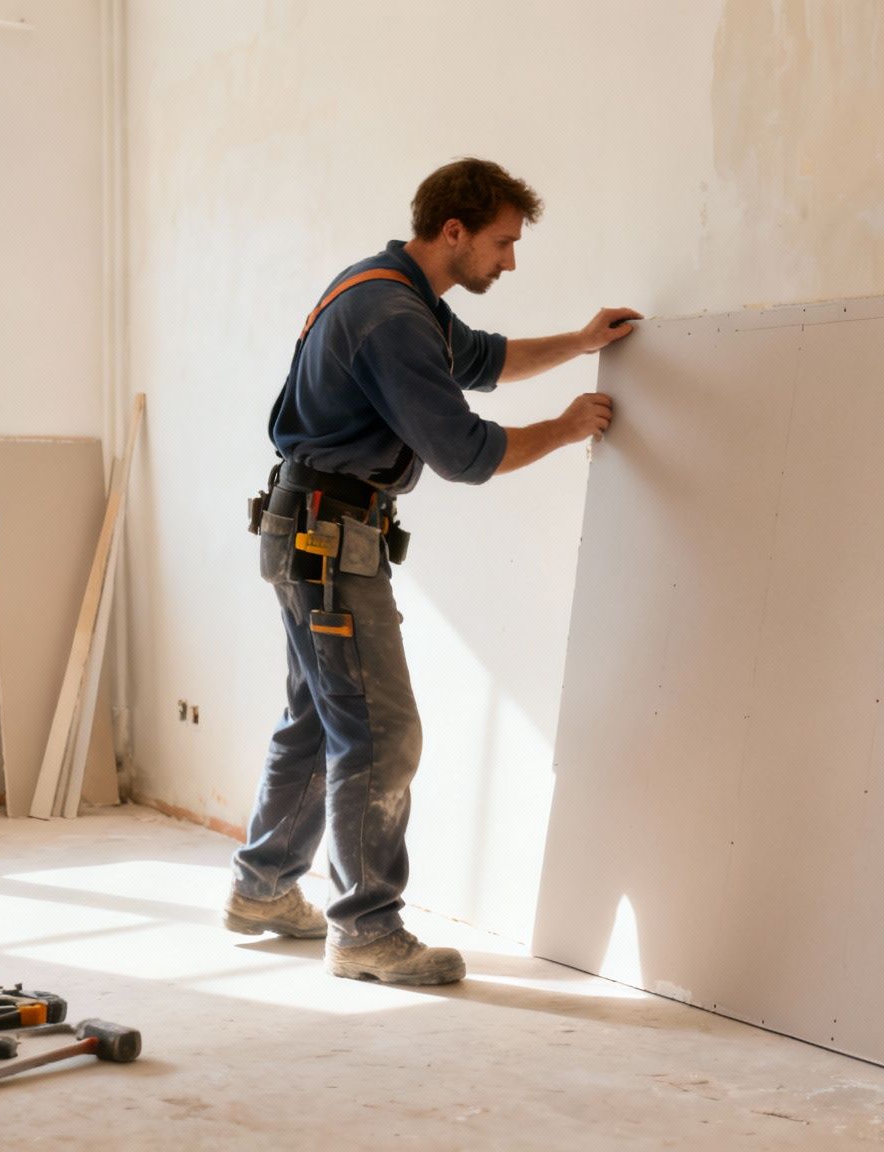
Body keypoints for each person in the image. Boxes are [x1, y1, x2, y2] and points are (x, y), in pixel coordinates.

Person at [224, 158, 641, 985]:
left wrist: (582, 344)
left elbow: (486, 359)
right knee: (383, 733)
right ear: (453, 232)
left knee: (319, 723)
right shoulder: (392, 316)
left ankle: (264, 888)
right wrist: (564, 428)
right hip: (328, 542)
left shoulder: (391, 290)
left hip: (308, 529)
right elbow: (464, 452)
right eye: (501, 243)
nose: (509, 261)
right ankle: (368, 931)